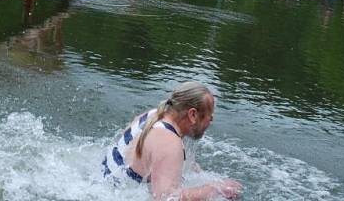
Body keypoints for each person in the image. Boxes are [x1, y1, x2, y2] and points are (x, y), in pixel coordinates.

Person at [102, 81, 242, 200]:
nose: (209, 124)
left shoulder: (154, 115)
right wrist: (215, 189)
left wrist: (203, 176)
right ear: (193, 114)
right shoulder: (169, 142)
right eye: (209, 118)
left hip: (105, 183)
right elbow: (166, 198)